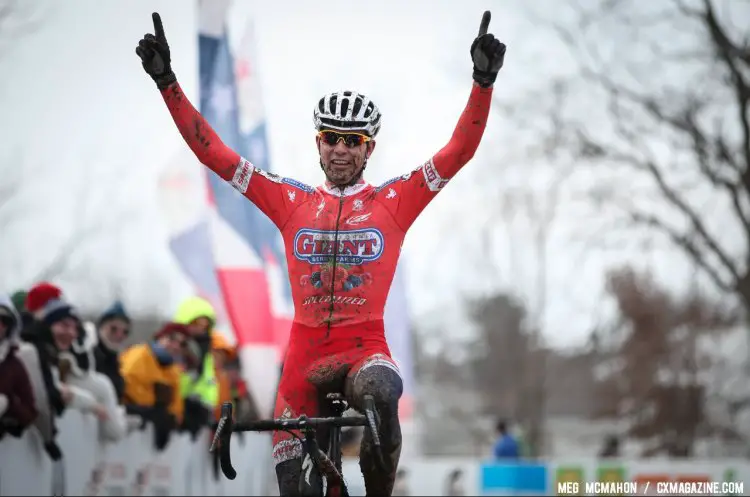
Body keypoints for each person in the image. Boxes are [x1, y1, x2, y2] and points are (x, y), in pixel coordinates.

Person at [135, 10, 505, 496]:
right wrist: (168, 83)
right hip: (302, 362)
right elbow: (215, 155)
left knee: (382, 391)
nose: (340, 150)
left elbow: (459, 150)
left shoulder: (394, 202)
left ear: (369, 149)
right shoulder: (290, 201)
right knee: (297, 490)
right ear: (318, 142)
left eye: (353, 141)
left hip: (364, 350)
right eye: (331, 139)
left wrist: (482, 83)